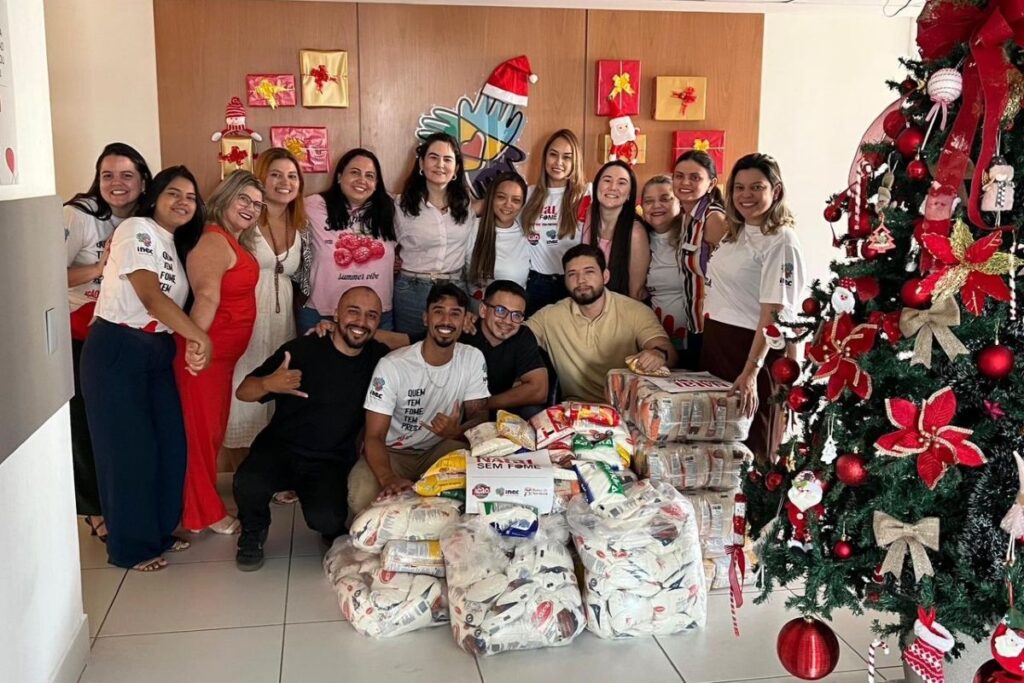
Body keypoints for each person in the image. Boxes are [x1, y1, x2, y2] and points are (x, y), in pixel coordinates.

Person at [79, 166, 208, 572]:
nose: (183, 202)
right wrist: (198, 338)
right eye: (174, 193)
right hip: (118, 346)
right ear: (154, 197)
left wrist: (187, 339)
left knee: (168, 447)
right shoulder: (136, 229)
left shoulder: (173, 244)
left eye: (191, 197)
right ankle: (129, 548)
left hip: (156, 350)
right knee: (127, 453)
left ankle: (157, 531)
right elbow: (150, 296)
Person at [232, 287, 389, 571]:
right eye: (353, 312)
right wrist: (269, 383)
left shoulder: (379, 360)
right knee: (248, 482)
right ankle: (253, 530)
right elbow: (243, 391)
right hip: (280, 448)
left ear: (379, 322)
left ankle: (325, 519)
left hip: (329, 459)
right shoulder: (303, 350)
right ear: (336, 313)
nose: (361, 321)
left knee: (327, 518)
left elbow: (420, 343)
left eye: (371, 315)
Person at [64, 142, 153, 543]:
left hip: (128, 336)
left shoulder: (145, 220)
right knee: (86, 427)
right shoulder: (79, 215)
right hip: (82, 336)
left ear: (143, 181)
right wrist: (100, 267)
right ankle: (95, 512)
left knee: (127, 429)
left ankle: (130, 507)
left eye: (127, 175)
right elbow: (46, 274)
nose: (117, 183)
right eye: (108, 175)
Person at [348, 283, 490, 514]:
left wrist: (456, 432)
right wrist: (388, 478)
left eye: (455, 314)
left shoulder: (472, 358)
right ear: (425, 318)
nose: (446, 321)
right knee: (361, 496)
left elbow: (481, 418)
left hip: (440, 448)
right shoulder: (393, 365)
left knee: (477, 487)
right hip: (393, 452)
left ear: (465, 320)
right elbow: (374, 436)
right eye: (438, 311)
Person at [701, 153, 806, 462]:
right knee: (720, 447)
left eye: (756, 187)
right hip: (719, 344)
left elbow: (774, 313)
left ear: (776, 191)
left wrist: (751, 370)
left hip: (753, 350)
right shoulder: (736, 233)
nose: (746, 195)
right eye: (739, 187)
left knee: (755, 448)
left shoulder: (781, 240)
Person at [175, 171, 263, 535]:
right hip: (204, 358)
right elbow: (207, 295)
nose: (251, 208)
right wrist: (196, 344)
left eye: (257, 204)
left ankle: (199, 507)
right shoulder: (213, 240)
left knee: (209, 434)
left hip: (221, 361)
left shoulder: (230, 241)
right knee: (200, 436)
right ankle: (204, 514)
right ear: (225, 196)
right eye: (244, 198)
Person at [223, 149, 307, 466]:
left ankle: (269, 474)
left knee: (275, 390)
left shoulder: (301, 225)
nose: (285, 182)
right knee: (240, 394)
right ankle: (240, 473)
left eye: (292, 176)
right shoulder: (244, 219)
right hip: (244, 315)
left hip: (283, 320)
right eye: (276, 174)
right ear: (260, 178)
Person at [527, 243, 675, 403]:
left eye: (589, 272)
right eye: (572, 274)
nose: (581, 280)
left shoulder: (635, 311)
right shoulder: (549, 316)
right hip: (575, 410)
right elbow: (516, 337)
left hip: (627, 409)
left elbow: (668, 351)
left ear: (605, 276)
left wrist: (658, 354)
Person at [301, 148, 396, 333]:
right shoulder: (313, 205)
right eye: (354, 172)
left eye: (370, 176)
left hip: (376, 314)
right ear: (339, 177)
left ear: (376, 184)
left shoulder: (391, 209)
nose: (362, 180)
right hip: (323, 312)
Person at [393, 133, 474, 335]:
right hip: (411, 291)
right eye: (433, 157)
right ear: (421, 163)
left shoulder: (466, 206)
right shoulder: (401, 205)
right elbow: (386, 247)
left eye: (447, 159)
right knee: (410, 347)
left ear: (456, 168)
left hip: (455, 289)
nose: (440, 164)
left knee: (450, 348)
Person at [520, 129, 590, 314]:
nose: (558, 162)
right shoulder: (528, 194)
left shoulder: (586, 194)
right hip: (535, 284)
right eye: (553, 154)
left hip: (573, 283)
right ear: (545, 157)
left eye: (567, 157)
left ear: (575, 162)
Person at [672, 150, 728, 368]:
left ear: (711, 183)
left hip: (715, 328)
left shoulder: (713, 219)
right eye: (679, 176)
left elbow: (727, 277)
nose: (685, 182)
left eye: (695, 177)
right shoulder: (686, 217)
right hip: (695, 325)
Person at [582, 160, 649, 300]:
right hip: (589, 301)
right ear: (596, 186)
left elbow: (635, 293)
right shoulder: (589, 214)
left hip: (622, 306)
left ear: (629, 193)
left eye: (622, 183)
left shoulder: (635, 232)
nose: (613, 187)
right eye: (607, 180)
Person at [465, 171, 530, 301]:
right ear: (491, 198)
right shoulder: (471, 228)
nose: (508, 204)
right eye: (501, 197)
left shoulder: (526, 233)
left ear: (522, 205)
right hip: (474, 309)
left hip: (514, 310)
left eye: (516, 200)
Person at [640, 174, 685, 352]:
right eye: (649, 201)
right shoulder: (640, 239)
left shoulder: (694, 236)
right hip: (657, 338)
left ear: (680, 202)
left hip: (698, 336)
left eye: (665, 199)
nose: (656, 205)